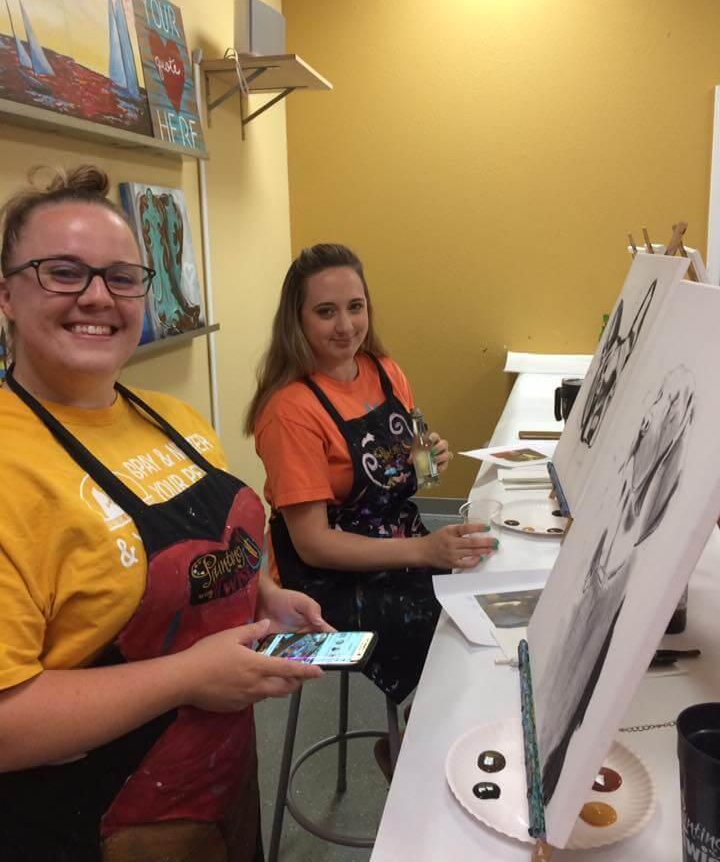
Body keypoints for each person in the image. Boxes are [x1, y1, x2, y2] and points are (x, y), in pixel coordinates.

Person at [0, 165, 331, 862]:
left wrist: (261, 595)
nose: (98, 296)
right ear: (6, 294)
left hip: (217, 785)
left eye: (122, 277)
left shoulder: (174, 419)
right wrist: (188, 676)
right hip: (94, 823)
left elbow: (218, 548)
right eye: (63, 273)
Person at [244, 243, 495, 709]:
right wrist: (425, 550)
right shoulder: (289, 411)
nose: (345, 325)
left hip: (397, 543)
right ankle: (416, 738)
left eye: (355, 307)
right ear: (297, 320)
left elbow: (417, 466)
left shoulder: (385, 371)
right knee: (449, 630)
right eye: (326, 312)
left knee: (483, 589)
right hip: (324, 580)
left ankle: (433, 726)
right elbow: (313, 544)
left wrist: (427, 458)